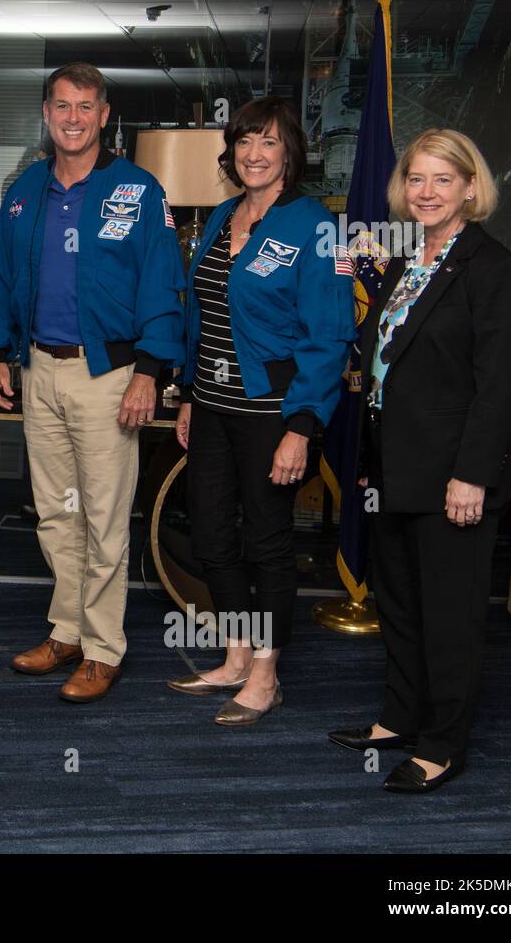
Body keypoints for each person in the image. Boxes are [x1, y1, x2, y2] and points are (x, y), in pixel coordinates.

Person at [329, 129, 511, 792]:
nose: (427, 192)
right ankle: (400, 715)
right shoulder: (401, 261)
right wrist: (368, 457)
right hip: (394, 467)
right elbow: (381, 365)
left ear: (471, 188)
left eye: (443, 179)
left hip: (454, 477)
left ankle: (442, 744)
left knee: (449, 615)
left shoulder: (495, 270)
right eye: (417, 178)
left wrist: (472, 473)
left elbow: (500, 382)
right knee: (403, 604)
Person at [0, 62, 185, 703]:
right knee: (54, 516)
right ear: (47, 114)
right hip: (39, 369)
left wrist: (149, 372)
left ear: (104, 116)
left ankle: (103, 649)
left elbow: (162, 286)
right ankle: (66, 632)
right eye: (62, 105)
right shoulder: (23, 192)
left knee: (103, 519)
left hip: (109, 376)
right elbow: (6, 281)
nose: (73, 117)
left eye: (86, 106)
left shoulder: (139, 191)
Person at [167, 96, 355, 724]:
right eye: (245, 141)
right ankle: (237, 652)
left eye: (268, 142)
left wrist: (301, 427)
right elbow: (203, 319)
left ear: (289, 153)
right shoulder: (223, 215)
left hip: (273, 412)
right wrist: (192, 393)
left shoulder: (318, 228)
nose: (254, 154)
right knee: (214, 536)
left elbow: (329, 336)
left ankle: (268, 672)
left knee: (267, 544)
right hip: (213, 407)